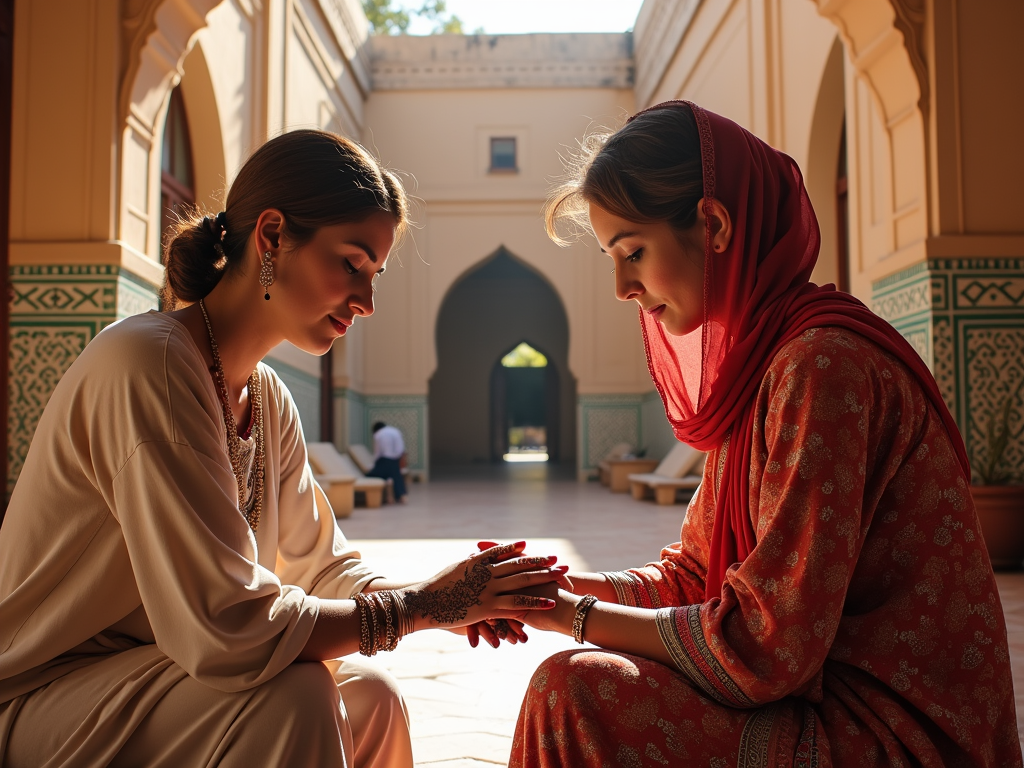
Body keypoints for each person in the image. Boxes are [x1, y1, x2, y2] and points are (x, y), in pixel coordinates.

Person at [0, 129, 569, 767]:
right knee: (294, 696)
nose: (367, 301)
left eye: (375, 274)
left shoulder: (266, 398)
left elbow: (320, 565)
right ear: (272, 236)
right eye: (351, 264)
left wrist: (452, 601)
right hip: (42, 690)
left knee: (371, 695)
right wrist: (424, 606)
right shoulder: (149, 363)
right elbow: (228, 629)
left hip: (150, 671)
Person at [503, 102, 1022, 767]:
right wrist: (546, 589)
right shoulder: (767, 365)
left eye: (633, 252)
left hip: (898, 733)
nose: (622, 286)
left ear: (713, 224)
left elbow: (765, 643)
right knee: (575, 687)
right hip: (823, 701)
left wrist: (569, 618)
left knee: (573, 692)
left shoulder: (821, 365)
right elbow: (694, 576)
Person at [368, 421, 408, 503]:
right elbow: (401, 448)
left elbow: (378, 452)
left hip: (384, 460)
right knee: (396, 476)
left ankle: (388, 497)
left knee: (373, 474)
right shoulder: (396, 431)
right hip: (395, 459)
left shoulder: (378, 434)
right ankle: (401, 496)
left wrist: (374, 463)